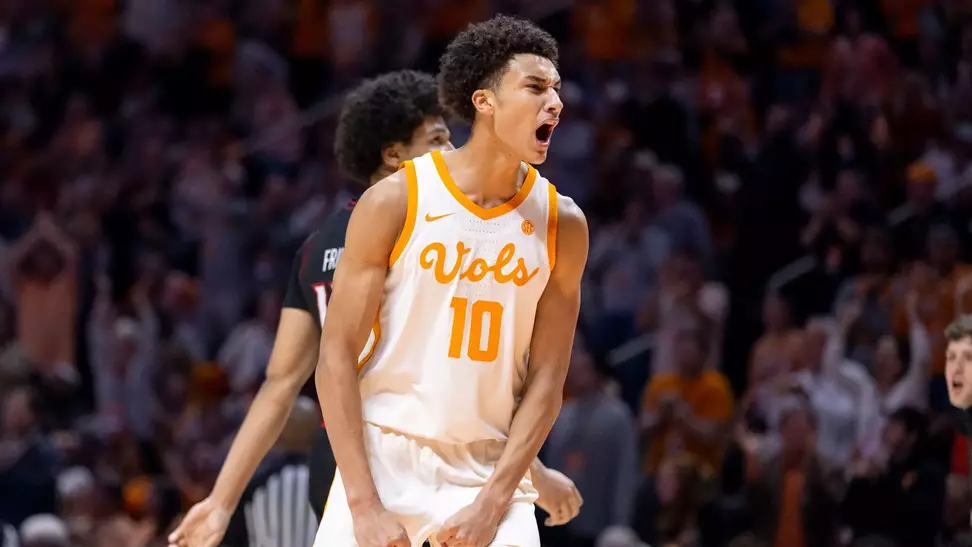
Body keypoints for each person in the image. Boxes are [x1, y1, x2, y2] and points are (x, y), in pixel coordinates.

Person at [168, 69, 582, 547]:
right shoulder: (425, 231)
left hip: (337, 457)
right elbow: (446, 384)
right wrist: (536, 473)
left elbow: (279, 385)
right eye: (438, 138)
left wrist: (222, 500)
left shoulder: (316, 246)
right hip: (391, 462)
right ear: (393, 154)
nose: (452, 151)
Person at [314, 14, 588, 547]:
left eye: (557, 89)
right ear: (484, 101)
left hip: (489, 472)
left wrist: (493, 504)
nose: (554, 102)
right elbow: (335, 357)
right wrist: (364, 505)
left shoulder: (564, 223)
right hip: (383, 459)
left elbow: (548, 381)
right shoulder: (397, 200)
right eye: (535, 87)